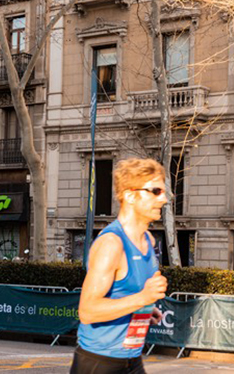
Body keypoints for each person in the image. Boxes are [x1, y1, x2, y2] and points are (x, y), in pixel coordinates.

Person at [71, 158, 168, 374]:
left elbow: (123, 292)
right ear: (130, 195)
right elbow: (87, 311)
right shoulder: (111, 244)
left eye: (163, 191)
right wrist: (142, 298)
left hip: (132, 359)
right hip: (99, 362)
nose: (164, 199)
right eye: (155, 191)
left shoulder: (148, 241)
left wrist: (144, 309)